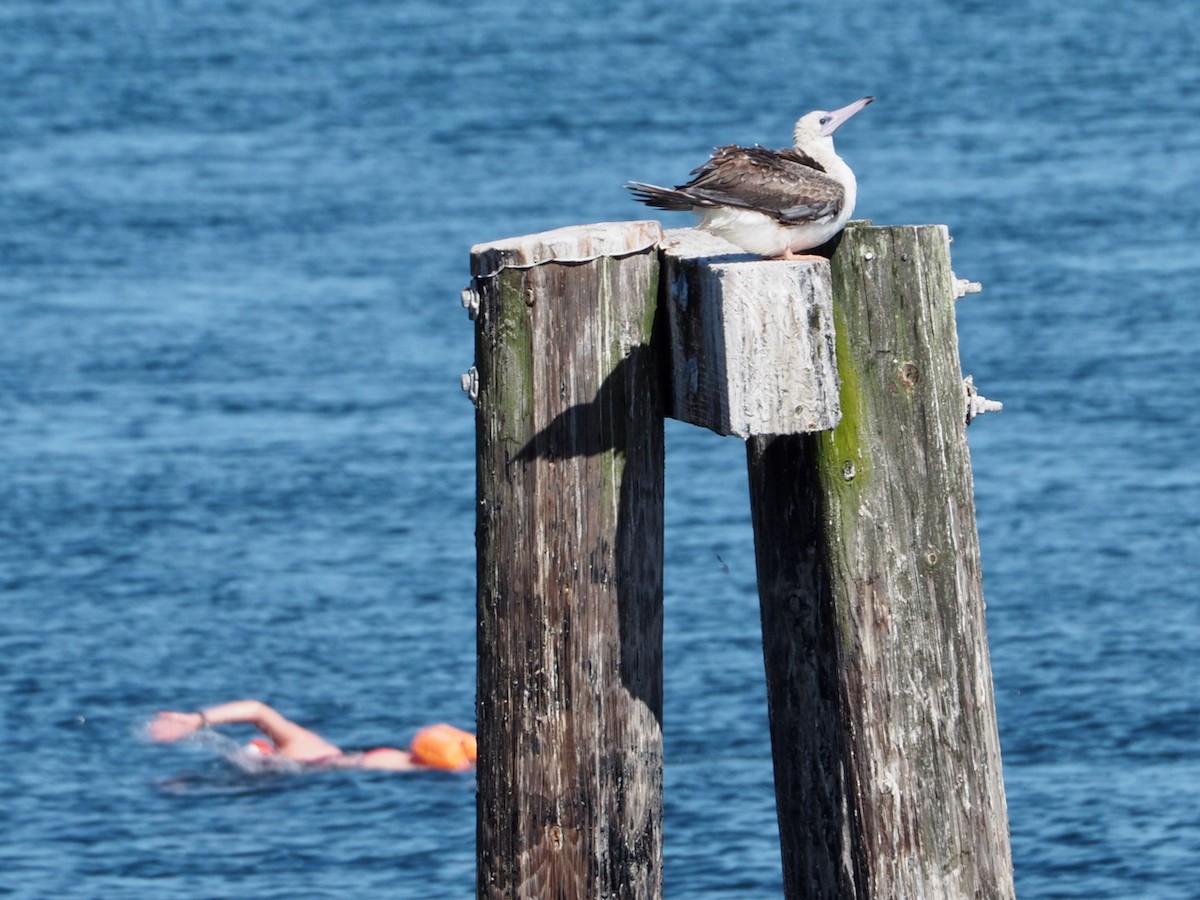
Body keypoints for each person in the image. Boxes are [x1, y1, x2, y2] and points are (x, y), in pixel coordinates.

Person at [148, 699, 476, 772]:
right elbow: (256, 710)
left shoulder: (297, 748)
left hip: (375, 765)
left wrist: (197, 719)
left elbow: (256, 710)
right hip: (380, 761)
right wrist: (196, 720)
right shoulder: (306, 744)